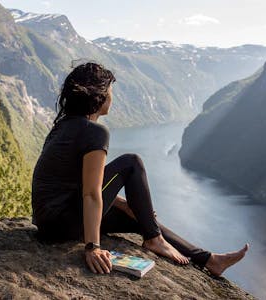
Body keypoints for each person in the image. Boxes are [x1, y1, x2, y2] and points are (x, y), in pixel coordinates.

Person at [31, 61, 249, 276]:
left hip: (49, 225)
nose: (112, 96)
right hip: (63, 222)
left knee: (139, 218)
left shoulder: (62, 127)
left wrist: (124, 205)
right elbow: (90, 193)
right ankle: (154, 239)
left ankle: (208, 259)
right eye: (110, 90)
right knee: (131, 162)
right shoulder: (95, 132)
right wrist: (92, 247)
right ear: (99, 95)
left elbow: (80, 182)